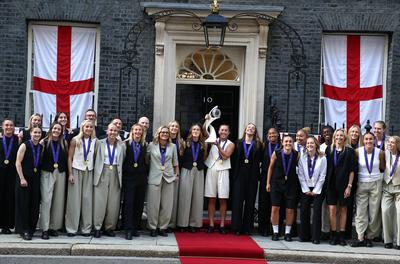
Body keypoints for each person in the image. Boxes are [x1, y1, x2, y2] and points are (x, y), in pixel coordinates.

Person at [351, 132, 385, 247]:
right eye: (366, 139)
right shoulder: (357, 152)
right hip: (362, 183)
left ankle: (370, 237)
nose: (368, 141)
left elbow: (383, 167)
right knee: (361, 211)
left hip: (375, 183)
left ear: (374, 140)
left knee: (374, 212)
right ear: (363, 140)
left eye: (371, 139)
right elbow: (354, 167)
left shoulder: (380, 152)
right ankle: (360, 237)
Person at [65, 120, 97, 236]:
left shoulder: (95, 142)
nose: (89, 129)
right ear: (82, 128)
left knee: (87, 201)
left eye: (91, 127)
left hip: (89, 171)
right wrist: (70, 174)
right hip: (76, 170)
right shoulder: (75, 140)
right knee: (74, 201)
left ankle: (86, 229)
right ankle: (71, 228)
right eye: (86, 126)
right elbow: (69, 158)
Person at [93, 123, 125, 238]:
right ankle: (97, 227)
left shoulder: (122, 145)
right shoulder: (99, 143)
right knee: (100, 202)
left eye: (115, 131)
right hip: (103, 171)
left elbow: (123, 159)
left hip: (116, 172)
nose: (113, 132)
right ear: (107, 131)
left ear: (118, 132)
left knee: (113, 203)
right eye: (111, 130)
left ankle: (109, 227)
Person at [146, 126, 179, 237]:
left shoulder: (173, 146)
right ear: (158, 133)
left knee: (167, 204)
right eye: (162, 132)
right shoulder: (151, 145)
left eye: (166, 132)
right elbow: (146, 160)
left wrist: (176, 175)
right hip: (154, 177)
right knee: (153, 204)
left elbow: (175, 162)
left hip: (169, 177)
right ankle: (152, 227)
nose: (165, 134)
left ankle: (162, 227)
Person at [325, 129, 356, 245]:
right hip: (331, 185)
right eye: (337, 135)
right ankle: (333, 234)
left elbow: (352, 170)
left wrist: (349, 186)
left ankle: (341, 235)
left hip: (344, 186)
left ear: (345, 138)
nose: (339, 137)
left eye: (341, 136)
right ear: (334, 137)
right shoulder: (329, 150)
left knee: (343, 210)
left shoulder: (349, 151)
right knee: (332, 210)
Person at [232, 123, 263, 235]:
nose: (250, 129)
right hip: (240, 175)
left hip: (252, 176)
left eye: (253, 128)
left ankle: (247, 228)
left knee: (250, 202)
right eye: (249, 127)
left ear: (254, 132)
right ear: (245, 130)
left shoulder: (258, 145)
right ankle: (236, 227)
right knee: (238, 201)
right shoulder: (238, 143)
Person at [267, 135, 299, 241]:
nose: (288, 143)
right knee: (275, 208)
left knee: (290, 209)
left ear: (293, 143)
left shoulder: (296, 154)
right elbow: (270, 168)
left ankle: (287, 233)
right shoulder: (276, 153)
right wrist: (268, 183)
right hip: (276, 184)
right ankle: (275, 232)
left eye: (290, 141)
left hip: (291, 185)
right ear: (282, 143)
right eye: (286, 141)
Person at [39, 122, 68, 239]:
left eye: (59, 129)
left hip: (60, 173)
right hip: (47, 173)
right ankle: (45, 229)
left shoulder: (64, 143)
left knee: (57, 202)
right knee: (46, 201)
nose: (57, 131)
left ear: (61, 131)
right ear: (51, 129)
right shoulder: (44, 142)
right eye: (55, 128)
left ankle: (53, 227)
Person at [204, 124, 235, 234]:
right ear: (218, 131)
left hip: (223, 170)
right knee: (211, 198)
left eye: (226, 130)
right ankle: (211, 224)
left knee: (223, 198)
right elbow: (204, 130)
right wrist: (207, 121)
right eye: (222, 130)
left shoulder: (231, 144)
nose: (223, 132)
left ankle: (222, 224)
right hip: (212, 168)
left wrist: (217, 146)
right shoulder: (212, 139)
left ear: (228, 132)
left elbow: (226, 156)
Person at [177, 124, 207, 232]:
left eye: (198, 129)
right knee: (185, 197)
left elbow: (205, 157)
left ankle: (193, 224)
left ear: (200, 132)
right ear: (191, 131)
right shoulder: (185, 143)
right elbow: (180, 157)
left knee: (197, 198)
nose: (196, 131)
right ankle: (182, 224)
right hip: (187, 170)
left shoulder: (204, 144)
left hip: (199, 171)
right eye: (194, 129)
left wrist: (206, 121)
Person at [298, 136, 327, 244]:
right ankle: (304, 235)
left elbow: (322, 175)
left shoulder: (322, 158)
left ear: (316, 145)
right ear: (306, 146)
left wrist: (315, 190)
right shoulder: (302, 157)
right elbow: (300, 175)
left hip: (318, 188)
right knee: (304, 209)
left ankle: (315, 237)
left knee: (317, 211)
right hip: (305, 187)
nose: (310, 145)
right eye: (308, 143)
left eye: (312, 143)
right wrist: (306, 189)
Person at [15, 126, 42, 240]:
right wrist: (22, 178)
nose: (37, 134)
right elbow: (18, 163)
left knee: (34, 203)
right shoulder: (24, 145)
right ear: (30, 133)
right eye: (35, 132)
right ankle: (24, 229)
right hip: (24, 179)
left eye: (39, 133)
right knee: (24, 204)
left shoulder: (41, 147)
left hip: (35, 179)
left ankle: (31, 228)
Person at [122, 124, 148, 240]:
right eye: (136, 130)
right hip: (129, 178)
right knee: (128, 203)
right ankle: (127, 229)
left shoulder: (144, 145)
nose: (138, 132)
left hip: (141, 178)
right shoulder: (126, 144)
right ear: (132, 131)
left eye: (140, 130)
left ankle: (135, 228)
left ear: (142, 132)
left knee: (139, 203)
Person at [258, 127, 280, 236]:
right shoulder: (263, 145)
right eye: (270, 134)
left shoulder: (281, 145)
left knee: (275, 203)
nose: (272, 135)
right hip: (265, 176)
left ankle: (274, 228)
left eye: (274, 133)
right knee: (264, 202)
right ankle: (263, 228)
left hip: (277, 177)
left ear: (278, 134)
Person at [0, 119, 19, 234]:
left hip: (12, 173)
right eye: (6, 125)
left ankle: (6, 225)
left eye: (11, 125)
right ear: (2, 127)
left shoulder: (17, 140)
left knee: (9, 199)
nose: (9, 127)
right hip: (0, 173)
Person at [381, 136, 400, 250]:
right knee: (385, 211)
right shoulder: (385, 153)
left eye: (392, 142)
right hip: (387, 186)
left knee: (399, 213)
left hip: (399, 188)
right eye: (389, 142)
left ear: (397, 144)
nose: (390, 144)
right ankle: (387, 240)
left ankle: (399, 241)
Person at [345, 124, 363, 239]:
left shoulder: (362, 146)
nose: (354, 134)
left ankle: (360, 233)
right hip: (348, 179)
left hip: (361, 179)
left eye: (356, 132)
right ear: (349, 133)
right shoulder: (346, 146)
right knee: (348, 206)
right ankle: (346, 232)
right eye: (352, 132)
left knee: (360, 207)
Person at [167, 120, 185, 232]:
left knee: (177, 199)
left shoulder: (181, 142)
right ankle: (167, 223)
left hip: (179, 172)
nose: (174, 128)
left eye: (176, 126)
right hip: (167, 172)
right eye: (172, 126)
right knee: (168, 199)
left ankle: (174, 223)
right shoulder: (164, 140)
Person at [319, 125, 334, 239]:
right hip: (323, 180)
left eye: (329, 131)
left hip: (333, 180)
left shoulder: (336, 147)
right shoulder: (320, 148)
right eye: (324, 132)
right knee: (324, 206)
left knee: (333, 207)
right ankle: (325, 230)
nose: (326, 133)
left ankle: (334, 229)